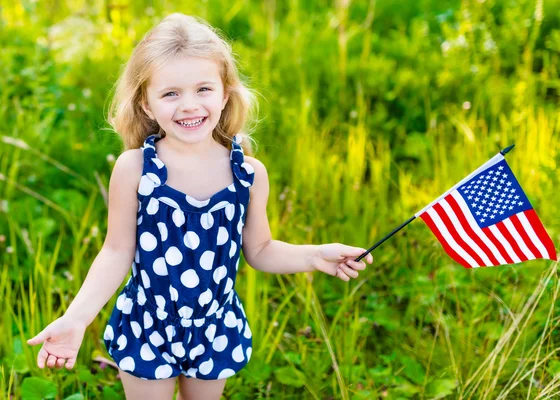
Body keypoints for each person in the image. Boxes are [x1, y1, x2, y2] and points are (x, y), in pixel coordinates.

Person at [27, 12, 373, 400]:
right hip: (148, 323)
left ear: (225, 93)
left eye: (203, 89)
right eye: (170, 93)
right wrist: (76, 318)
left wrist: (315, 256)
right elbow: (116, 251)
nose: (189, 106)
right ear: (145, 103)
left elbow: (259, 250)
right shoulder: (135, 170)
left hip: (215, 325)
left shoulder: (249, 175)